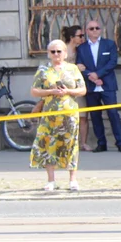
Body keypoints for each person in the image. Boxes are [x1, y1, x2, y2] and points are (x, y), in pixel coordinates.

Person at [30, 39, 87, 191]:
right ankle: (51, 180)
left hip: (69, 113)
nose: (56, 54)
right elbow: (34, 91)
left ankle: (72, 180)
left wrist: (68, 91)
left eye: (59, 51)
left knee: (71, 144)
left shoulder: (72, 68)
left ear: (65, 53)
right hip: (50, 114)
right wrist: (51, 92)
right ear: (48, 54)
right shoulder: (43, 70)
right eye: (53, 51)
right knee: (49, 144)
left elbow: (82, 90)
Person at [75, 20, 121, 153]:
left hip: (107, 85)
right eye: (91, 28)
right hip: (91, 86)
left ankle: (120, 143)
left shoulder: (109, 44)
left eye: (97, 28)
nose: (94, 30)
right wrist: (90, 76)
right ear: (87, 31)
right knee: (95, 116)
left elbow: (112, 62)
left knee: (113, 114)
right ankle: (101, 143)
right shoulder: (82, 48)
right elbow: (79, 65)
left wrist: (98, 75)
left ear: (101, 30)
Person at [61, 25, 91, 152]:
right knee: (66, 117)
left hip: (78, 87)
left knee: (83, 116)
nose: (82, 38)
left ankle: (83, 143)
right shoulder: (62, 50)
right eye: (80, 36)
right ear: (72, 37)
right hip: (64, 87)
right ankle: (68, 143)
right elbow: (57, 67)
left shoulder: (81, 50)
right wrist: (75, 67)